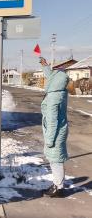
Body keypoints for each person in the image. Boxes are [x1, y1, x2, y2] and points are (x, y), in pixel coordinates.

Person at [40, 57, 69, 198]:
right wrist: (45, 66)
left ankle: (59, 188)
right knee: (56, 159)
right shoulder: (59, 92)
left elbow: (52, 121)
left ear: (54, 82)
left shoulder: (53, 98)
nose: (48, 80)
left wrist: (49, 140)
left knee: (55, 161)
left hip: (55, 133)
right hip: (60, 131)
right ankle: (58, 185)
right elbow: (51, 76)